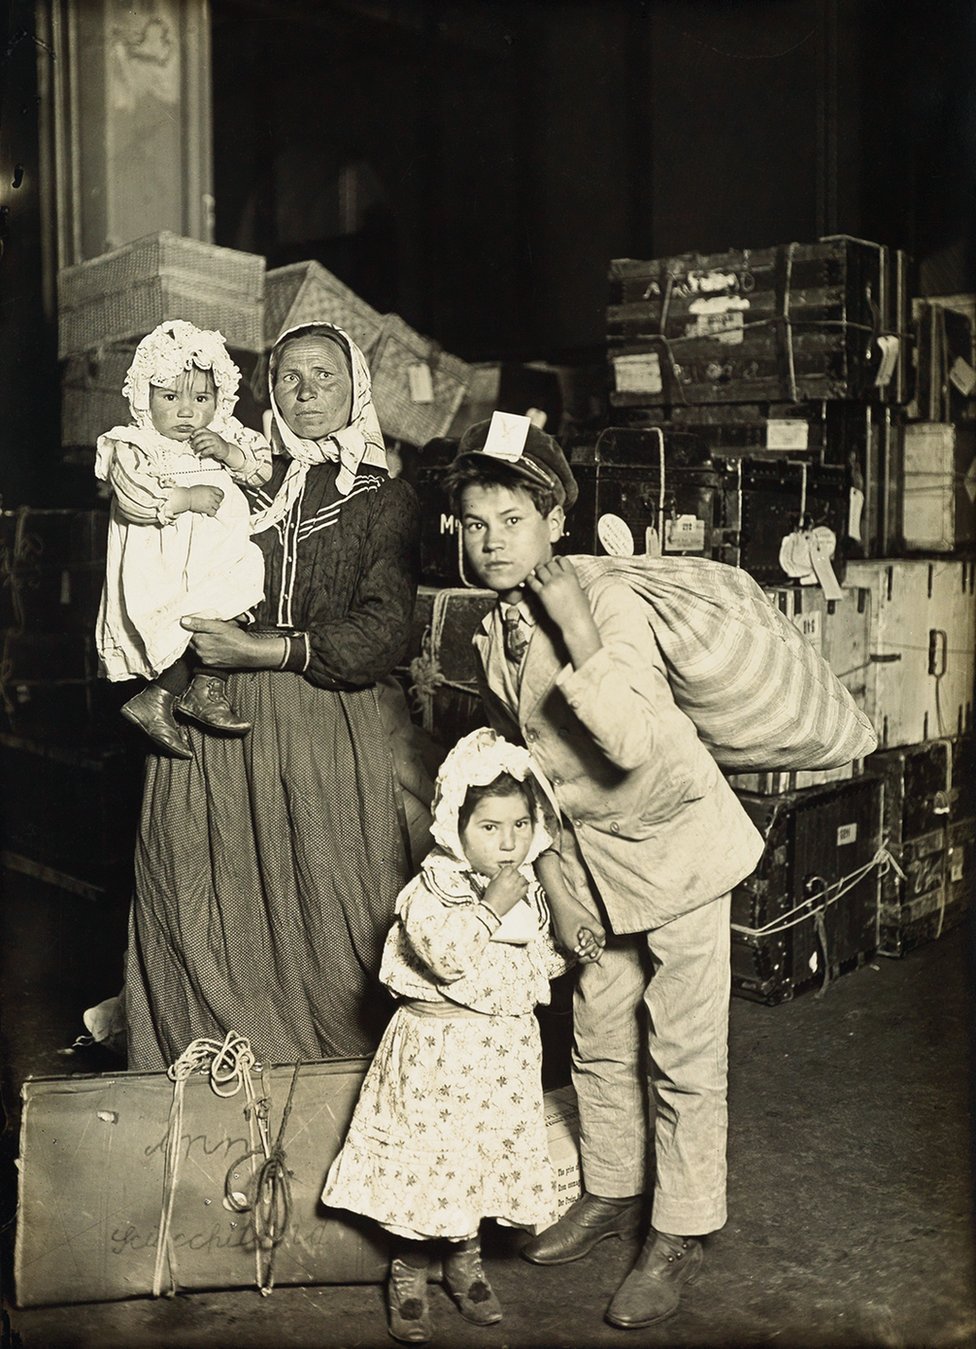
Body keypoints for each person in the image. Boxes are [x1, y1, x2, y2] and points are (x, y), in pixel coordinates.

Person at [440, 412, 766, 1331]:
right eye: (475, 522)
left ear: (555, 519)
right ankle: (614, 1189)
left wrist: (577, 623)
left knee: (686, 1052)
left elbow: (624, 737)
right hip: (592, 862)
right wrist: (552, 879)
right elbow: (526, 771)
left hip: (678, 847)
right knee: (597, 1032)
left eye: (512, 517)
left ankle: (682, 1229)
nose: (493, 539)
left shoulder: (606, 599)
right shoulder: (491, 626)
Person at [123, 321, 420, 1071]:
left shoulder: (386, 499)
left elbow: (384, 632)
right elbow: (154, 506)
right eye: (289, 377)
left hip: (319, 717)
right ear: (269, 393)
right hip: (211, 718)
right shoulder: (241, 478)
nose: (307, 389)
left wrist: (264, 647)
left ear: (356, 387)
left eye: (325, 374)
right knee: (199, 896)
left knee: (330, 906)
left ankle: (337, 1092)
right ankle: (208, 1082)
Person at [321, 727, 602, 1345]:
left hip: (499, 1059)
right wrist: (490, 907)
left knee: (475, 1161)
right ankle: (410, 1271)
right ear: (455, 826)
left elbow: (527, 969)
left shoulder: (528, 893)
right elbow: (446, 956)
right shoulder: (432, 892)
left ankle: (466, 1262)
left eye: (520, 826)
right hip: (436, 1058)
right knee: (431, 1163)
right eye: (490, 828)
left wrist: (568, 949)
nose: (508, 844)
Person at [95, 320, 273, 758]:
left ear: (220, 400)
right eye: (170, 397)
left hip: (219, 555)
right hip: (166, 560)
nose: (186, 411)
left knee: (235, 602)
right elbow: (134, 498)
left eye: (201, 398)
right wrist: (185, 497)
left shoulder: (223, 435)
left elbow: (264, 470)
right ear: (145, 397)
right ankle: (163, 694)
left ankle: (195, 690)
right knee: (182, 622)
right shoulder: (135, 444)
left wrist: (229, 453)